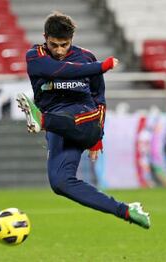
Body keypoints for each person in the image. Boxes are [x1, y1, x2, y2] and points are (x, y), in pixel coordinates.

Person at [16, 11, 150, 229]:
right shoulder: (35, 56)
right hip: (58, 123)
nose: (59, 51)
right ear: (44, 37)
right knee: (60, 183)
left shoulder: (86, 56)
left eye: (64, 45)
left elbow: (100, 99)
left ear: (72, 40)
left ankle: (42, 120)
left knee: (89, 124)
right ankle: (126, 210)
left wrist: (99, 138)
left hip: (82, 113)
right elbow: (57, 71)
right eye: (54, 45)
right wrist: (101, 67)